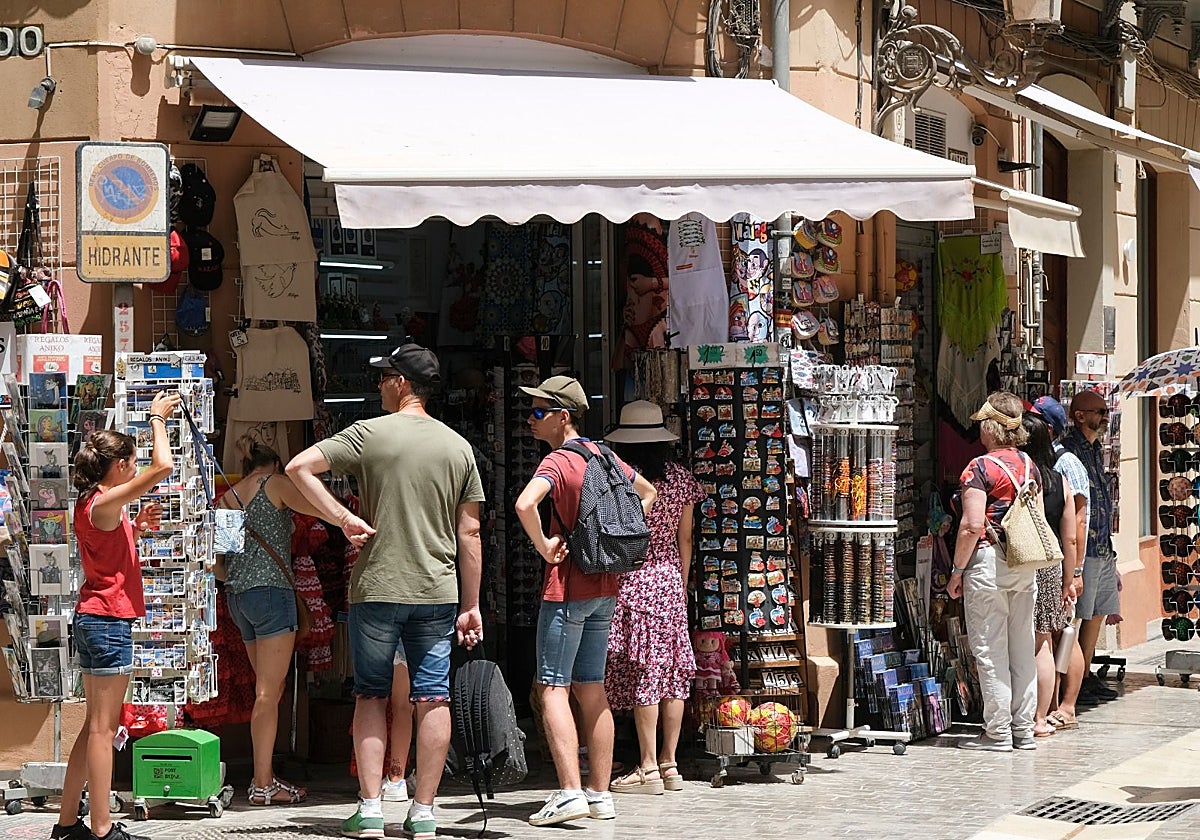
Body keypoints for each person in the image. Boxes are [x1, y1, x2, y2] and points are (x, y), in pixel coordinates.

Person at [286, 342, 484, 840]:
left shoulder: (368, 434)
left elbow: (296, 468)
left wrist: (342, 517)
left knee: (371, 695)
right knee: (433, 695)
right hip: (436, 590)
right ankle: (424, 813)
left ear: (402, 383)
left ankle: (371, 808)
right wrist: (472, 604)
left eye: (382, 377)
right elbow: (471, 534)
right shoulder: (458, 447)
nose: (378, 386)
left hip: (377, 586)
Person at [514, 376, 656, 826]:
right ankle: (600, 794)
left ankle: (570, 791)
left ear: (563, 416)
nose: (531, 420)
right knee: (592, 687)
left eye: (539, 412)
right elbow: (648, 493)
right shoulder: (605, 455)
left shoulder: (557, 462)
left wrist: (544, 545)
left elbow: (524, 505)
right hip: (605, 588)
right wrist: (612, 541)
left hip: (566, 588)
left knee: (552, 687)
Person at [55, 392, 181, 840]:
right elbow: (163, 467)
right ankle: (103, 829)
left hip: (94, 617)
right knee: (105, 730)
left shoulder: (95, 501)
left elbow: (111, 544)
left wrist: (138, 525)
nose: (135, 467)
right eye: (130, 461)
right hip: (108, 622)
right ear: (122, 466)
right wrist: (156, 420)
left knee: (94, 727)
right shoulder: (105, 502)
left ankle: (68, 824)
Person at [221, 439, 344, 806]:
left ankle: (265, 777)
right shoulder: (274, 484)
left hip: (239, 597)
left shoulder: (229, 495)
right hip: (273, 593)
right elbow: (321, 509)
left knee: (266, 693)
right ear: (274, 464)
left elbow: (219, 565)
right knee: (268, 694)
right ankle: (262, 783)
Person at [603, 401, 702, 795]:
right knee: (673, 674)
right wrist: (680, 579)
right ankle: (670, 764)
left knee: (646, 671)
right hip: (669, 583)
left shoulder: (622, 479)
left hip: (632, 581)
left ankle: (645, 765)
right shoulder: (682, 480)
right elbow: (686, 539)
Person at [946, 392, 1039, 752]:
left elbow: (971, 526)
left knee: (990, 649)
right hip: (1023, 562)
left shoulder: (979, 468)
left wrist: (957, 571)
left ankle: (998, 732)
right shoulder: (1029, 465)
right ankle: (1023, 730)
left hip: (987, 561)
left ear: (989, 426)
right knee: (1022, 648)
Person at [1058, 389, 1121, 706]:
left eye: (1106, 411)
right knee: (1078, 617)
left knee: (1096, 613)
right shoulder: (1070, 451)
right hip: (1086, 550)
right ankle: (1073, 682)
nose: (1105, 417)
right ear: (1079, 415)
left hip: (1102, 547)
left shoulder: (1095, 450)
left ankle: (1086, 674)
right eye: (1099, 411)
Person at [1030, 395, 1089, 729]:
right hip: (1059, 561)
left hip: (1060, 562)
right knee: (1052, 635)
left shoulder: (1062, 466)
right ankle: (1050, 708)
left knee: (1062, 633)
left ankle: (1065, 706)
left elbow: (1077, 522)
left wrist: (1075, 571)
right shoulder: (1055, 467)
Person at [1018, 413, 1078, 739]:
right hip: (1052, 566)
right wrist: (1070, 579)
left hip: (1025, 562)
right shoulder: (1060, 481)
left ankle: (1019, 715)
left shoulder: (1023, 479)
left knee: (1018, 641)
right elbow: (1069, 538)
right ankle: (1040, 719)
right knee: (1043, 642)